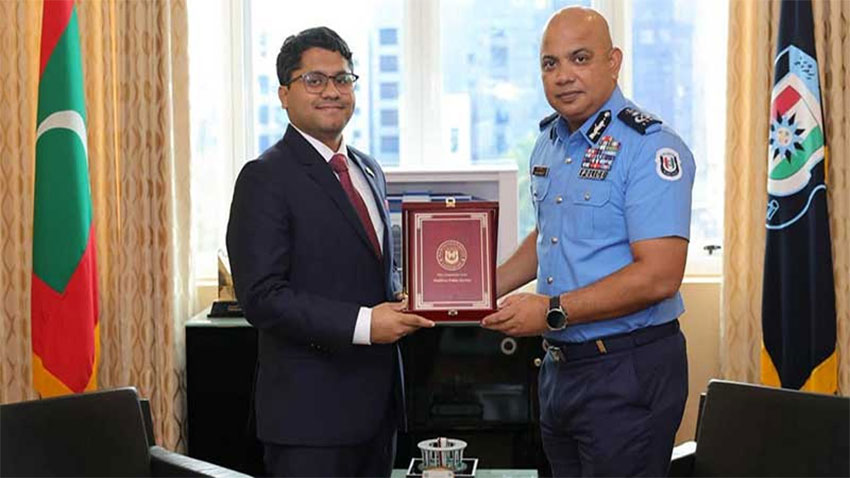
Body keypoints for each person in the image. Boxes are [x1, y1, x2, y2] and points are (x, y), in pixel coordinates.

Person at [481, 7, 695, 477]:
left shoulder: (650, 147)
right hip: (560, 368)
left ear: (613, 62)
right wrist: (481, 289)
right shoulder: (551, 142)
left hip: (626, 367)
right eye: (550, 63)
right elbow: (550, 232)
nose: (563, 76)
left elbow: (659, 276)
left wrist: (551, 310)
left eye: (579, 58)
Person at [226, 26, 434, 478]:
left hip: (378, 413)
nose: (332, 91)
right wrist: (366, 324)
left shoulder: (368, 169)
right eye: (314, 80)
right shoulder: (264, 177)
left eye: (342, 79)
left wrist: (410, 296)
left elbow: (369, 271)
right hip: (310, 421)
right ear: (284, 95)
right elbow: (261, 297)